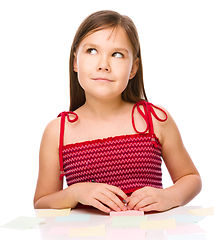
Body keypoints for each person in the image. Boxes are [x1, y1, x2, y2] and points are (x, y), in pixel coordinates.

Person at [34, 10, 202, 214]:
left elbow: (190, 178)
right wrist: (75, 192)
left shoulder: (155, 119)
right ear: (75, 61)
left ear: (133, 68)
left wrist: (170, 196)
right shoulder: (58, 131)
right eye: (92, 51)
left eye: (117, 54)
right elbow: (42, 202)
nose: (103, 65)